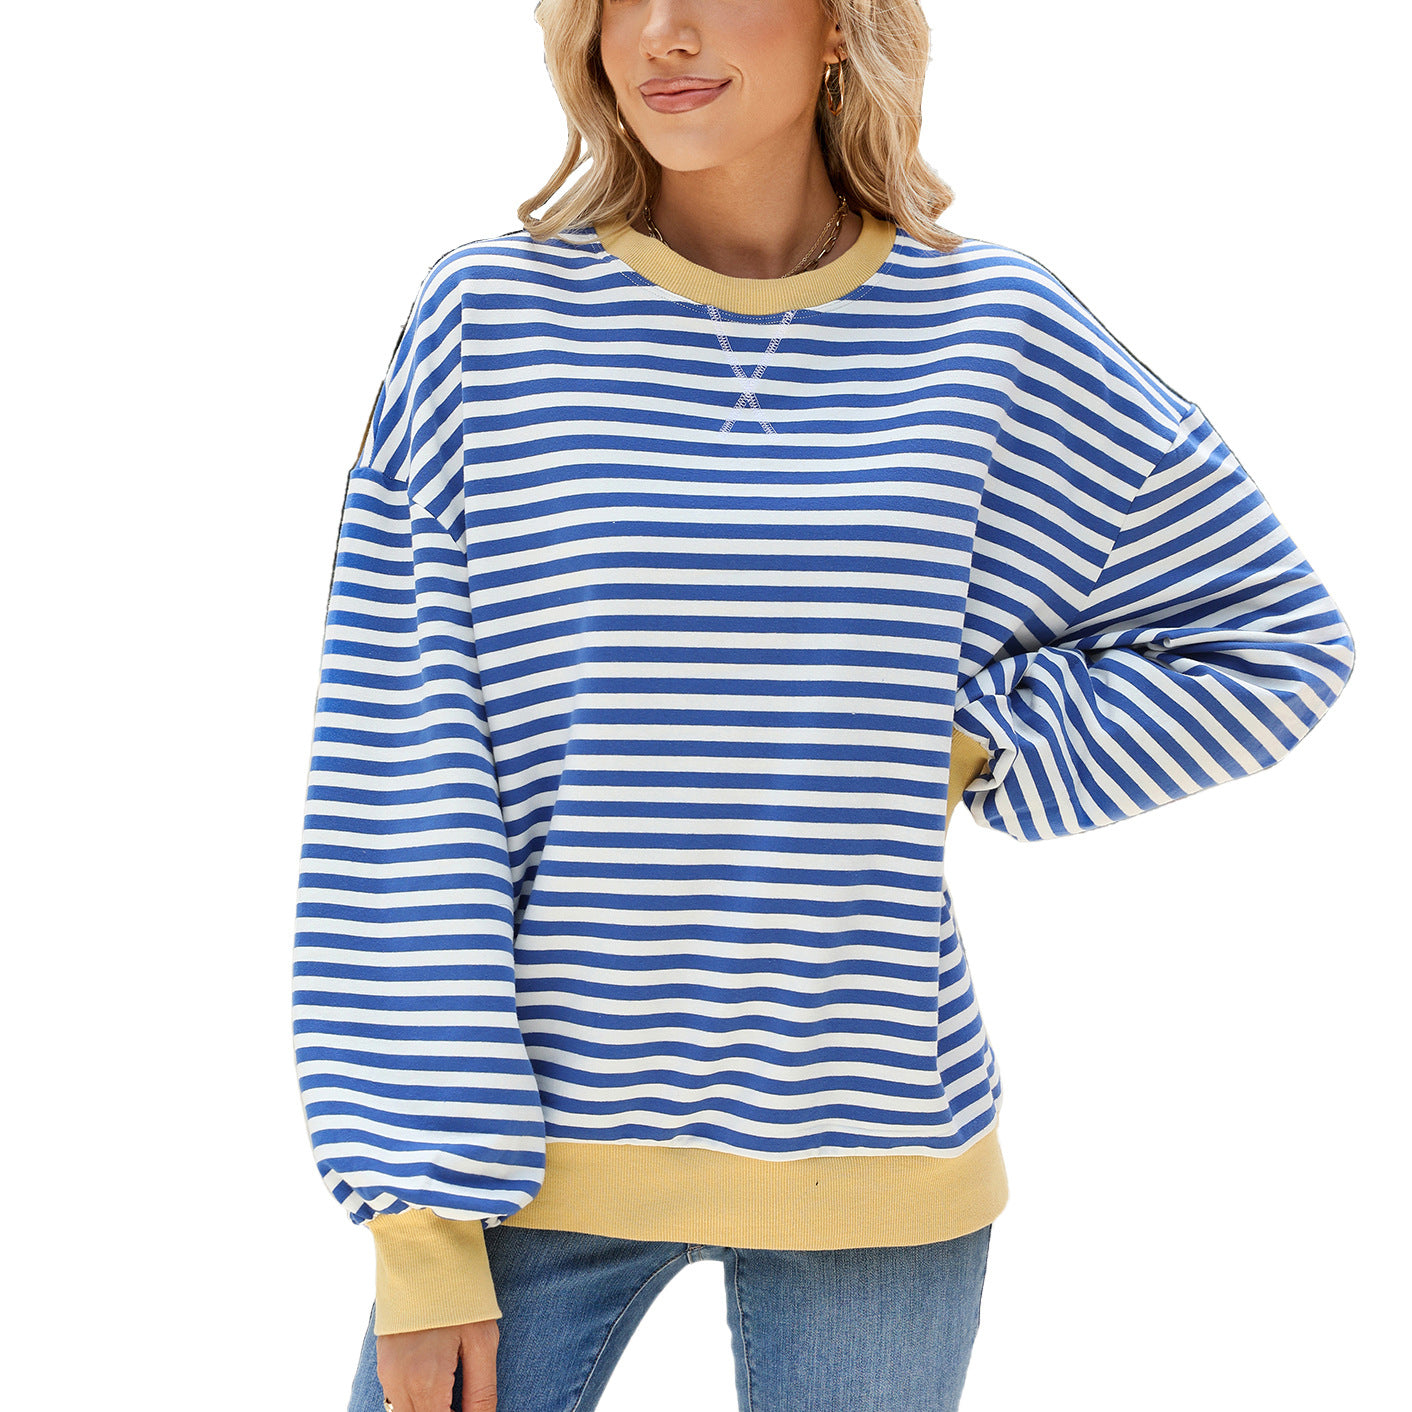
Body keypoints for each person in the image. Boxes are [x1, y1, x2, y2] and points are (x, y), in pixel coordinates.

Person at [290, 2, 1357, 1410]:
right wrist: (419, 1224)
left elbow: (1274, 642)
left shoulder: (992, 332)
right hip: (520, 1166)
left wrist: (961, 746)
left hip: (880, 1150)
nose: (662, 32)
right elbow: (398, 771)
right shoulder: (489, 323)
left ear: (842, 25)